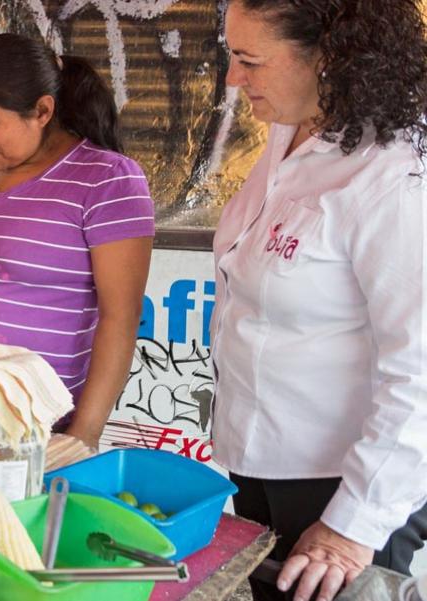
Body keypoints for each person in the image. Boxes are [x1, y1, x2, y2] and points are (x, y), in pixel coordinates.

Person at [212, 1, 427, 600]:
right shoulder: (292, 130)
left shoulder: (394, 176)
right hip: (263, 459)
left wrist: (349, 530)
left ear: (329, 57)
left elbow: (422, 372)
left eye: (249, 60)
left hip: (344, 485)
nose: (233, 79)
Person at [0, 33, 155, 450]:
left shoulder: (108, 180)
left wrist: (82, 436)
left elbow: (121, 316)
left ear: (43, 110)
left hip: (37, 429)